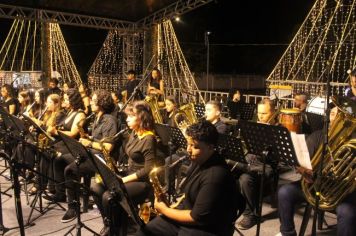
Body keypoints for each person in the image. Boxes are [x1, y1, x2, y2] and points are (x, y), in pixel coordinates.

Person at [137, 120, 243, 236]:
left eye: (194, 146)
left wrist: (165, 210)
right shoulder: (199, 160)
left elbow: (196, 218)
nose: (188, 149)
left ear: (211, 147)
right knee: (145, 231)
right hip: (191, 215)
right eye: (188, 144)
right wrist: (173, 207)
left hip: (208, 228)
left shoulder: (215, 175)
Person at [277, 105, 356, 236]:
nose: (335, 117)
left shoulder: (352, 142)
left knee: (347, 212)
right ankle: (287, 232)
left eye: (340, 114)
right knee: (285, 192)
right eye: (332, 113)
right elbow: (301, 161)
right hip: (314, 185)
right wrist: (301, 169)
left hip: (341, 191)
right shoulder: (318, 136)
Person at [91, 101, 164, 235]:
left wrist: (123, 180)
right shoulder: (135, 133)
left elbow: (148, 169)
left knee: (109, 196)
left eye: (131, 116)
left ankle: (116, 229)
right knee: (96, 187)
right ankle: (110, 222)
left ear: (141, 118)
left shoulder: (148, 138)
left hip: (143, 182)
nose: (127, 119)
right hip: (129, 174)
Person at [52, 89, 119, 223]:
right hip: (92, 154)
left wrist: (89, 142)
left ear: (101, 103)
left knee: (70, 170)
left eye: (93, 101)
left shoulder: (109, 120)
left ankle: (73, 208)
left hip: (101, 159)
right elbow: (97, 139)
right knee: (60, 159)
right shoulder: (96, 117)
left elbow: (108, 147)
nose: (90, 104)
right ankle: (59, 192)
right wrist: (88, 138)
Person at [237, 98, 277, 230]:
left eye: (264, 113)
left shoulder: (279, 130)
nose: (260, 116)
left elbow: (277, 159)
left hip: (266, 165)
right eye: (259, 113)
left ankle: (251, 215)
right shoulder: (253, 127)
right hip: (249, 161)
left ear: (273, 113)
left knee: (245, 179)